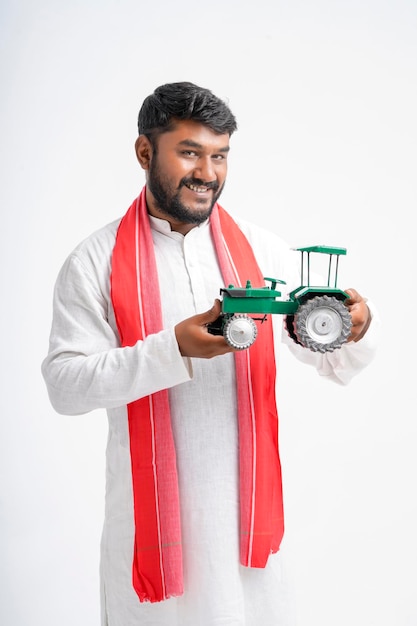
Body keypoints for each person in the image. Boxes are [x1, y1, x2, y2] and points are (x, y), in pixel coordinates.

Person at [41, 81, 379, 626]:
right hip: (151, 541)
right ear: (145, 152)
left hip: (250, 539)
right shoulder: (94, 260)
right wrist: (171, 349)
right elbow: (65, 385)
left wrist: (356, 326)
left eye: (219, 155)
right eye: (190, 152)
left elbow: (330, 358)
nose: (208, 172)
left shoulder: (258, 247)